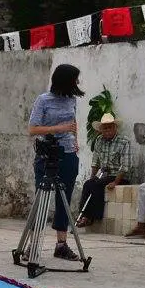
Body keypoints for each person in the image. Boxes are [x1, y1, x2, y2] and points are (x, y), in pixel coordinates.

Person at [28, 63, 84, 261]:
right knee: (41, 198)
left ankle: (61, 244)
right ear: (65, 81)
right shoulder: (43, 100)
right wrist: (59, 128)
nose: (78, 82)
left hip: (68, 155)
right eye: (75, 79)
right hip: (46, 154)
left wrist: (75, 143)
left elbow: (73, 125)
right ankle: (32, 244)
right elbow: (33, 129)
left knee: (64, 199)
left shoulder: (72, 100)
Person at [77, 113, 132, 228]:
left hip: (120, 176)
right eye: (104, 128)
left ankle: (92, 217)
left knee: (97, 185)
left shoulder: (124, 141)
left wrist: (116, 182)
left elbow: (125, 166)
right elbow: (95, 161)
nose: (107, 130)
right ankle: (83, 215)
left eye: (109, 127)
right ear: (101, 130)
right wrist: (92, 176)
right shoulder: (99, 140)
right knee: (88, 184)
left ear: (115, 128)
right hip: (105, 175)